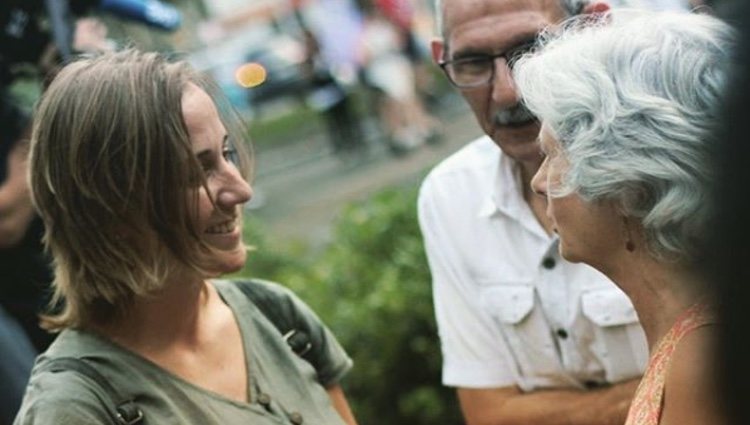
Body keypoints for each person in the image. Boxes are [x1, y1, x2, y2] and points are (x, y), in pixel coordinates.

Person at [13, 49, 358, 425]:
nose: (241, 189)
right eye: (197, 171)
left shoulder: (277, 317)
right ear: (108, 206)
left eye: (228, 153)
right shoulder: (78, 408)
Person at [417, 0, 649, 424]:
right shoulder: (452, 196)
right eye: (472, 63)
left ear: (594, 25)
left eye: (530, 49)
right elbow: (488, 413)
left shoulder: (677, 164)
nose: (507, 91)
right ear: (441, 59)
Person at [514, 9, 734, 425]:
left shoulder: (701, 358)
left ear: (625, 178)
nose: (539, 182)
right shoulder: (697, 334)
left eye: (553, 154)